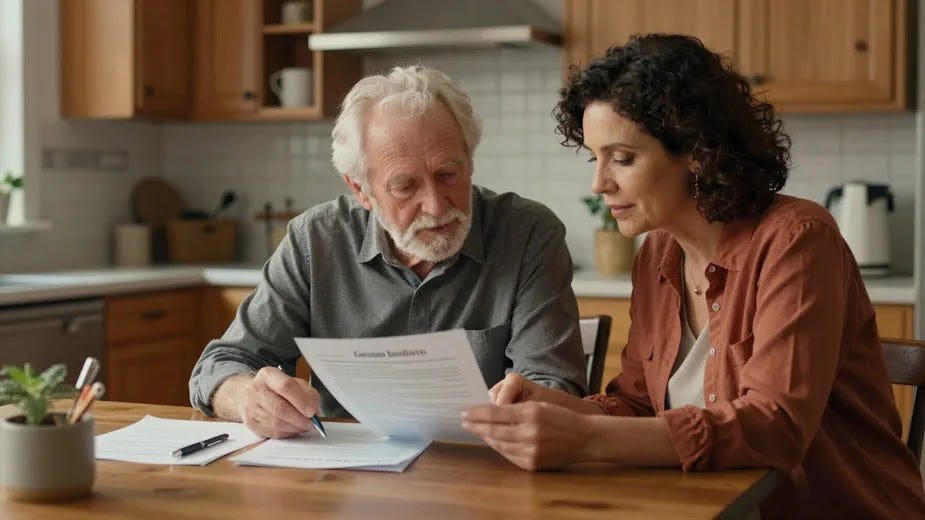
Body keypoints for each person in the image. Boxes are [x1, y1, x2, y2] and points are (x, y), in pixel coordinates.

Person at [461, 34, 925, 517]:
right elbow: (641, 404)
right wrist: (559, 408)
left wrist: (588, 438)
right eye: (594, 158)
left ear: (696, 152)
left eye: (621, 158)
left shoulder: (797, 241)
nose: (599, 183)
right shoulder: (657, 252)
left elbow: (776, 427)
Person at [189, 65, 588, 439]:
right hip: (340, 478)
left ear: (470, 159)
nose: (436, 205)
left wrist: (530, 404)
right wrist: (247, 398)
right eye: (405, 186)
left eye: (448, 174)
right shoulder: (316, 240)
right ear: (360, 189)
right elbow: (220, 365)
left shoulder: (529, 234)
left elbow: (556, 390)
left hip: (485, 469)